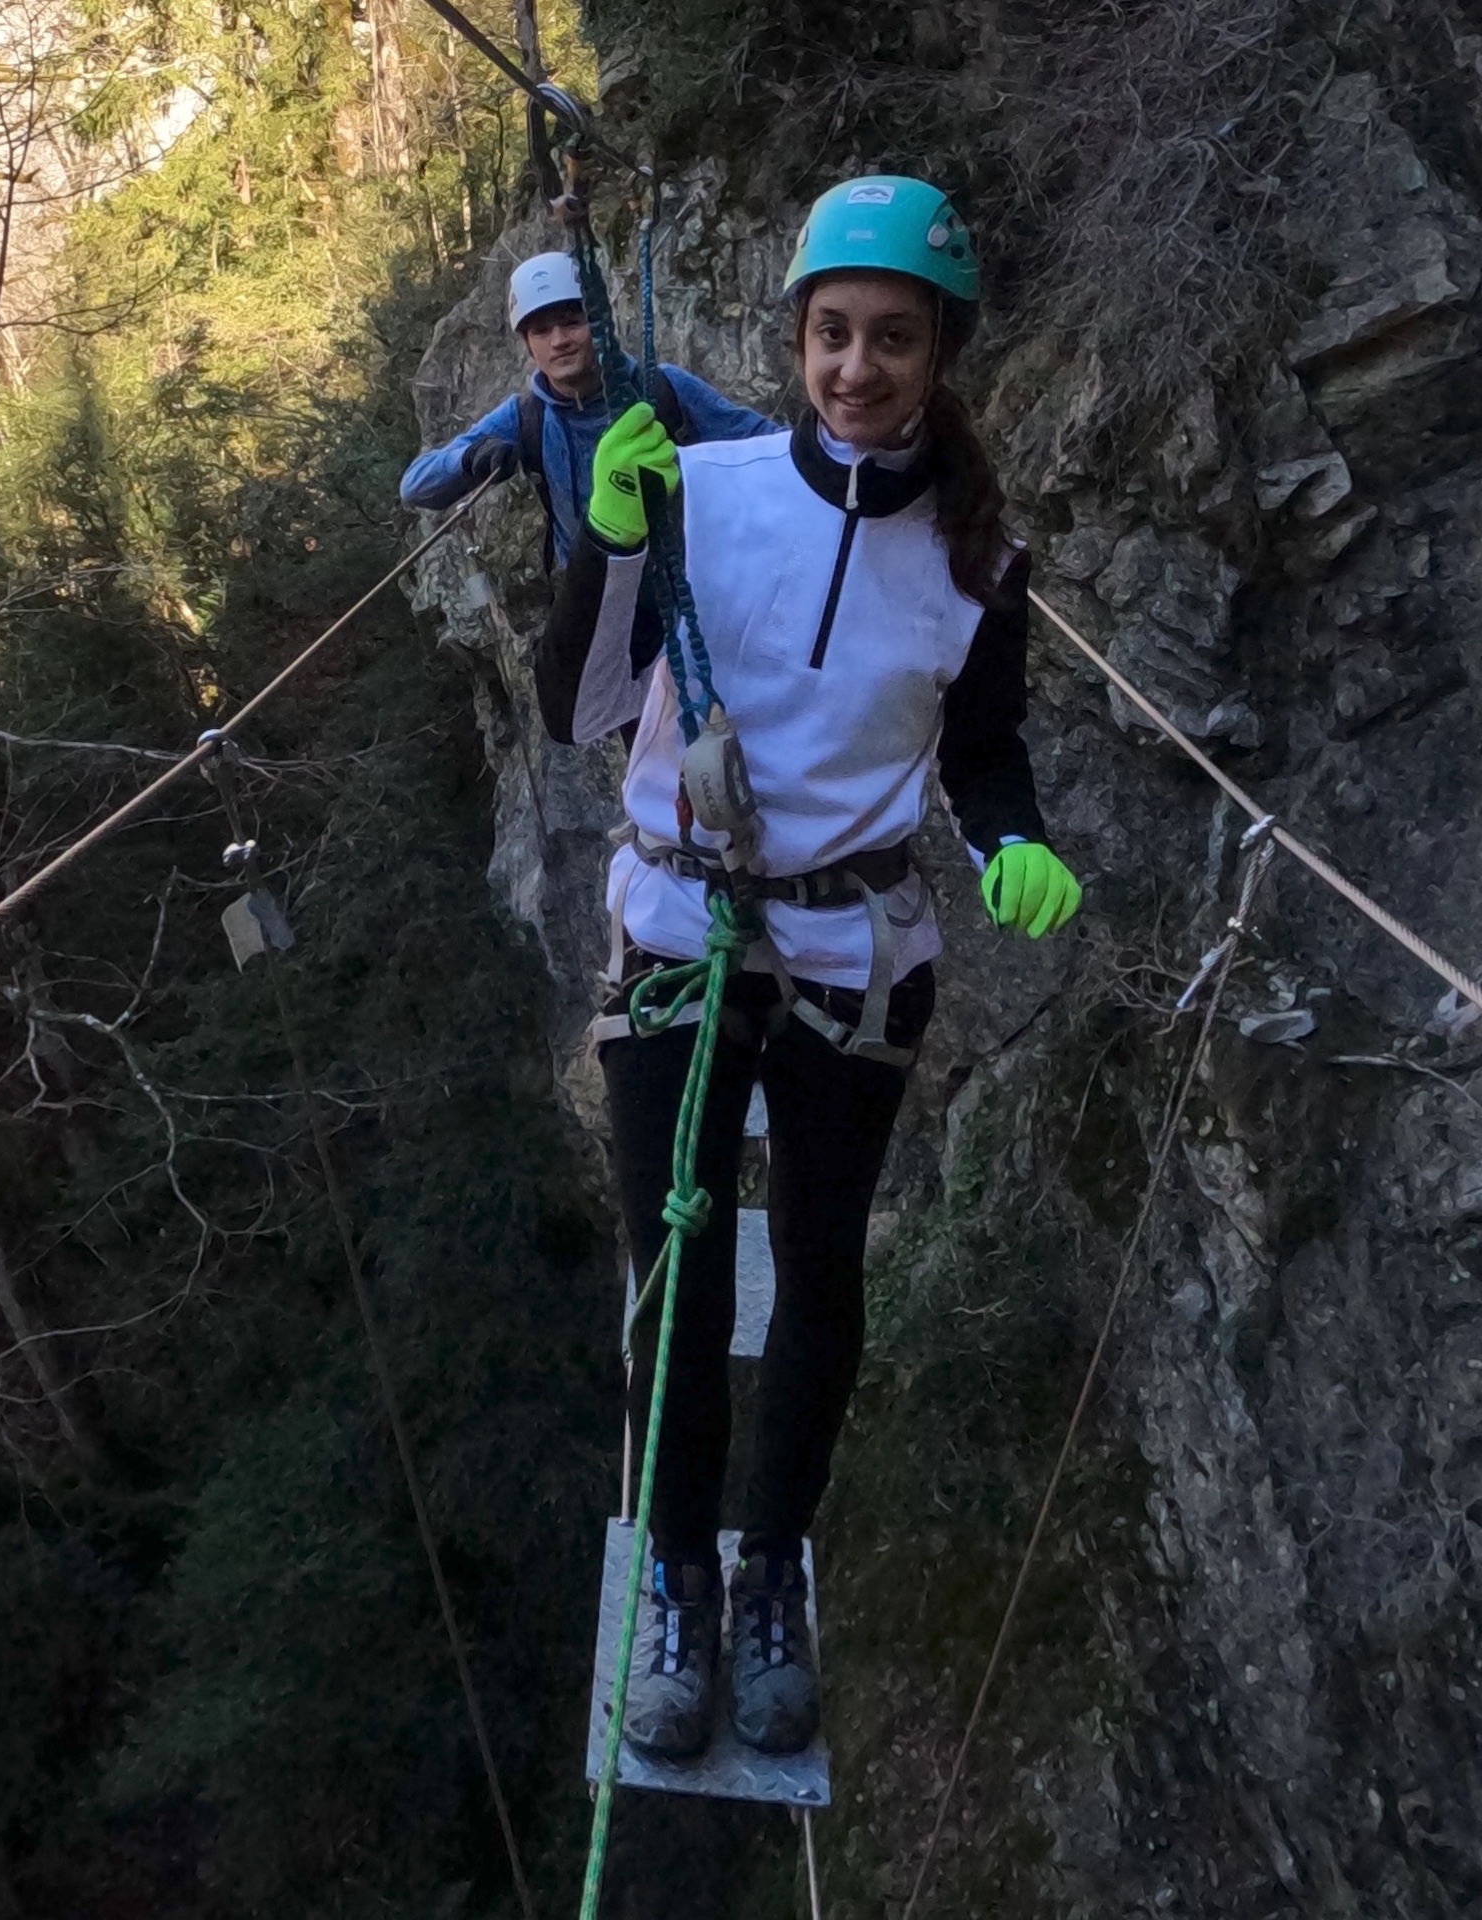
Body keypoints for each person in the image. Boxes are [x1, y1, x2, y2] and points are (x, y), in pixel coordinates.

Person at [536, 177, 1082, 1762]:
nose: (857, 368)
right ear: (795, 339)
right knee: (682, 1281)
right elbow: (577, 708)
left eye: (892, 341)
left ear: (940, 357)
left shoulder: (983, 558)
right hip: (681, 934)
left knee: (823, 1280)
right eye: (833, 334)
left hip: (852, 947)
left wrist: (1006, 844)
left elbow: (984, 756)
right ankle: (678, 1579)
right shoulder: (695, 487)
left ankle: (774, 1566)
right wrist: (610, 542)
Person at [399, 251, 774, 569]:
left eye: (571, 322)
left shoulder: (662, 390)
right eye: (542, 331)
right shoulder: (526, 417)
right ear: (529, 347)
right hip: (589, 602)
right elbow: (416, 487)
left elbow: (765, 445)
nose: (559, 341)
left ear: (599, 325)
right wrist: (468, 460)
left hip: (679, 595)